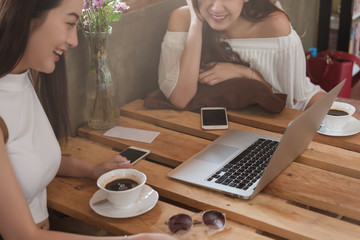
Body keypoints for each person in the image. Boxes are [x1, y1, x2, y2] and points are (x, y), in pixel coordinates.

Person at [0, 0, 177, 239]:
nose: (74, 41)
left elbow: (23, 162)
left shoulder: (23, 75)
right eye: (70, 23)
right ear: (29, 15)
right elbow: (21, 234)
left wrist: (93, 170)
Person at [158, 0, 325, 110]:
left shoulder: (274, 24)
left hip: (299, 104)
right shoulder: (182, 18)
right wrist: (196, 22)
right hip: (240, 118)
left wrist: (243, 73)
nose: (216, 8)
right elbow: (180, 99)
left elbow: (288, 102)